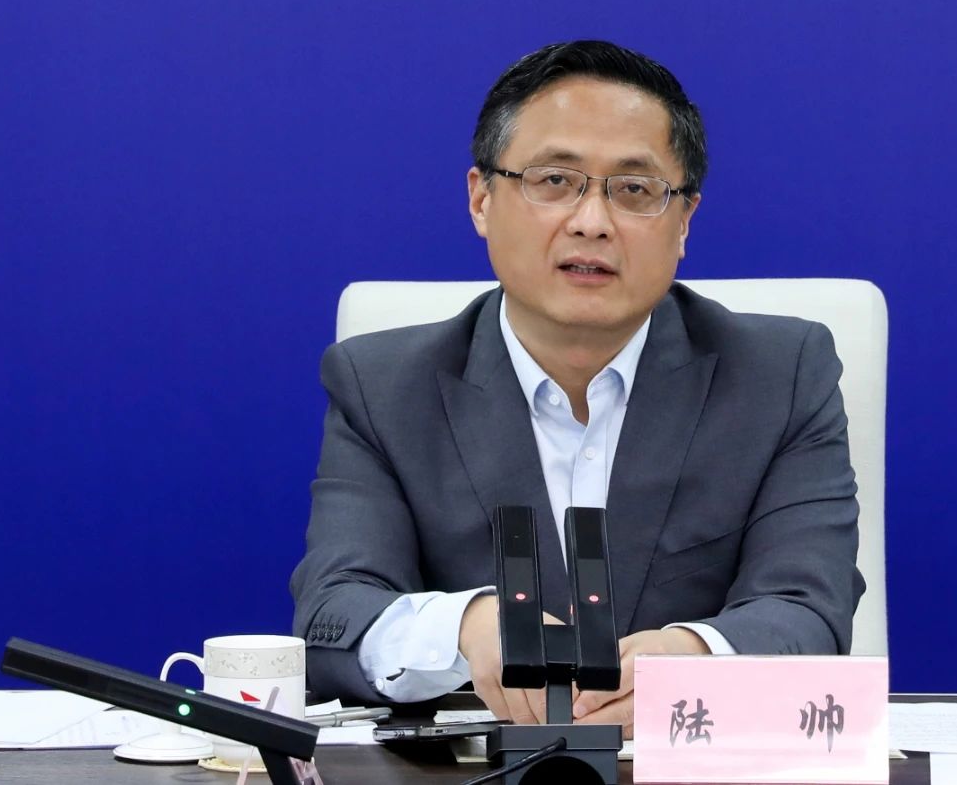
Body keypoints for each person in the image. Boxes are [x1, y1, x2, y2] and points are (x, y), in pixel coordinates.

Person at [290, 40, 864, 738]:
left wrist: (692, 658)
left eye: (635, 190)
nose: (592, 221)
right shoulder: (382, 387)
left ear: (684, 221)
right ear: (481, 199)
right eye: (555, 180)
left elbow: (809, 610)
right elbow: (334, 615)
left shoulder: (781, 375)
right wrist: (466, 626)